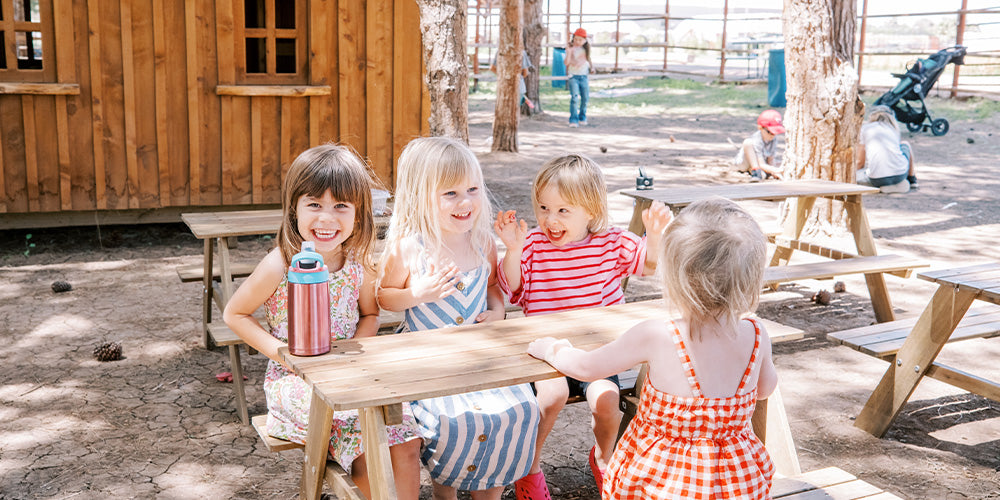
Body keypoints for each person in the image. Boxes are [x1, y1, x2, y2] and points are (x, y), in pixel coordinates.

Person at [527, 197, 778, 499]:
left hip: (662, 476)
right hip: (735, 479)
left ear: (674, 274)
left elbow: (586, 367)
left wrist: (554, 350)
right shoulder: (755, 332)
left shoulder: (658, 335)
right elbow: (765, 389)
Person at [222, 144, 423, 499]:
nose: (326, 219)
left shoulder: (357, 264)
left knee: (405, 436)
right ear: (293, 209)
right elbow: (234, 314)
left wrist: (353, 354)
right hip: (297, 383)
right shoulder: (280, 264)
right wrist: (283, 353)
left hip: (350, 375)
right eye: (314, 205)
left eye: (340, 206)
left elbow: (370, 314)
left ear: (358, 214)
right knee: (367, 443)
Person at [494, 154, 673, 499]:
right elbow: (512, 288)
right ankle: (528, 467)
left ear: (591, 210)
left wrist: (653, 236)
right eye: (544, 208)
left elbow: (648, 266)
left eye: (563, 211)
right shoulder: (532, 246)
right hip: (547, 354)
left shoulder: (611, 242)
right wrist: (512, 249)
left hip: (596, 354)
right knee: (552, 396)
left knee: (606, 401)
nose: (550, 219)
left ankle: (605, 459)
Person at [377, 136, 540, 500]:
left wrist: (497, 311)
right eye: (450, 194)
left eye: (472, 189)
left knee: (520, 410)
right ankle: (445, 492)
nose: (465, 202)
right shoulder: (409, 248)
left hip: (479, 356)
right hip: (430, 361)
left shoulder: (481, 241)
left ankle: (491, 493)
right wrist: (417, 294)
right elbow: (384, 297)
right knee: (454, 424)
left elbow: (494, 285)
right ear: (421, 196)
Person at [857, 105, 918, 194]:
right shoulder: (893, 129)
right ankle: (912, 179)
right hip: (899, 175)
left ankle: (882, 185)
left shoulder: (865, 129)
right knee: (905, 145)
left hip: (877, 179)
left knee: (860, 176)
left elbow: (860, 162)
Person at [733, 109, 785, 181]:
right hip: (745, 163)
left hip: (761, 161)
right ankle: (756, 172)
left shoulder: (774, 139)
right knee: (748, 142)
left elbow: (771, 160)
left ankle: (757, 171)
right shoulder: (757, 139)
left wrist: (774, 172)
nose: (773, 135)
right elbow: (761, 164)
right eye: (770, 132)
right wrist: (776, 170)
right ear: (760, 128)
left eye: (775, 132)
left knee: (769, 170)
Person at [565, 28, 593, 127]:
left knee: (585, 98)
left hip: (584, 76)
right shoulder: (571, 50)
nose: (577, 42)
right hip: (573, 76)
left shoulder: (586, 49)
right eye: (576, 39)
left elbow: (588, 59)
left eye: (580, 40)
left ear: (585, 40)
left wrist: (592, 67)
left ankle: (582, 117)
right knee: (574, 98)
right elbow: (566, 63)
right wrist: (568, 52)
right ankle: (573, 119)